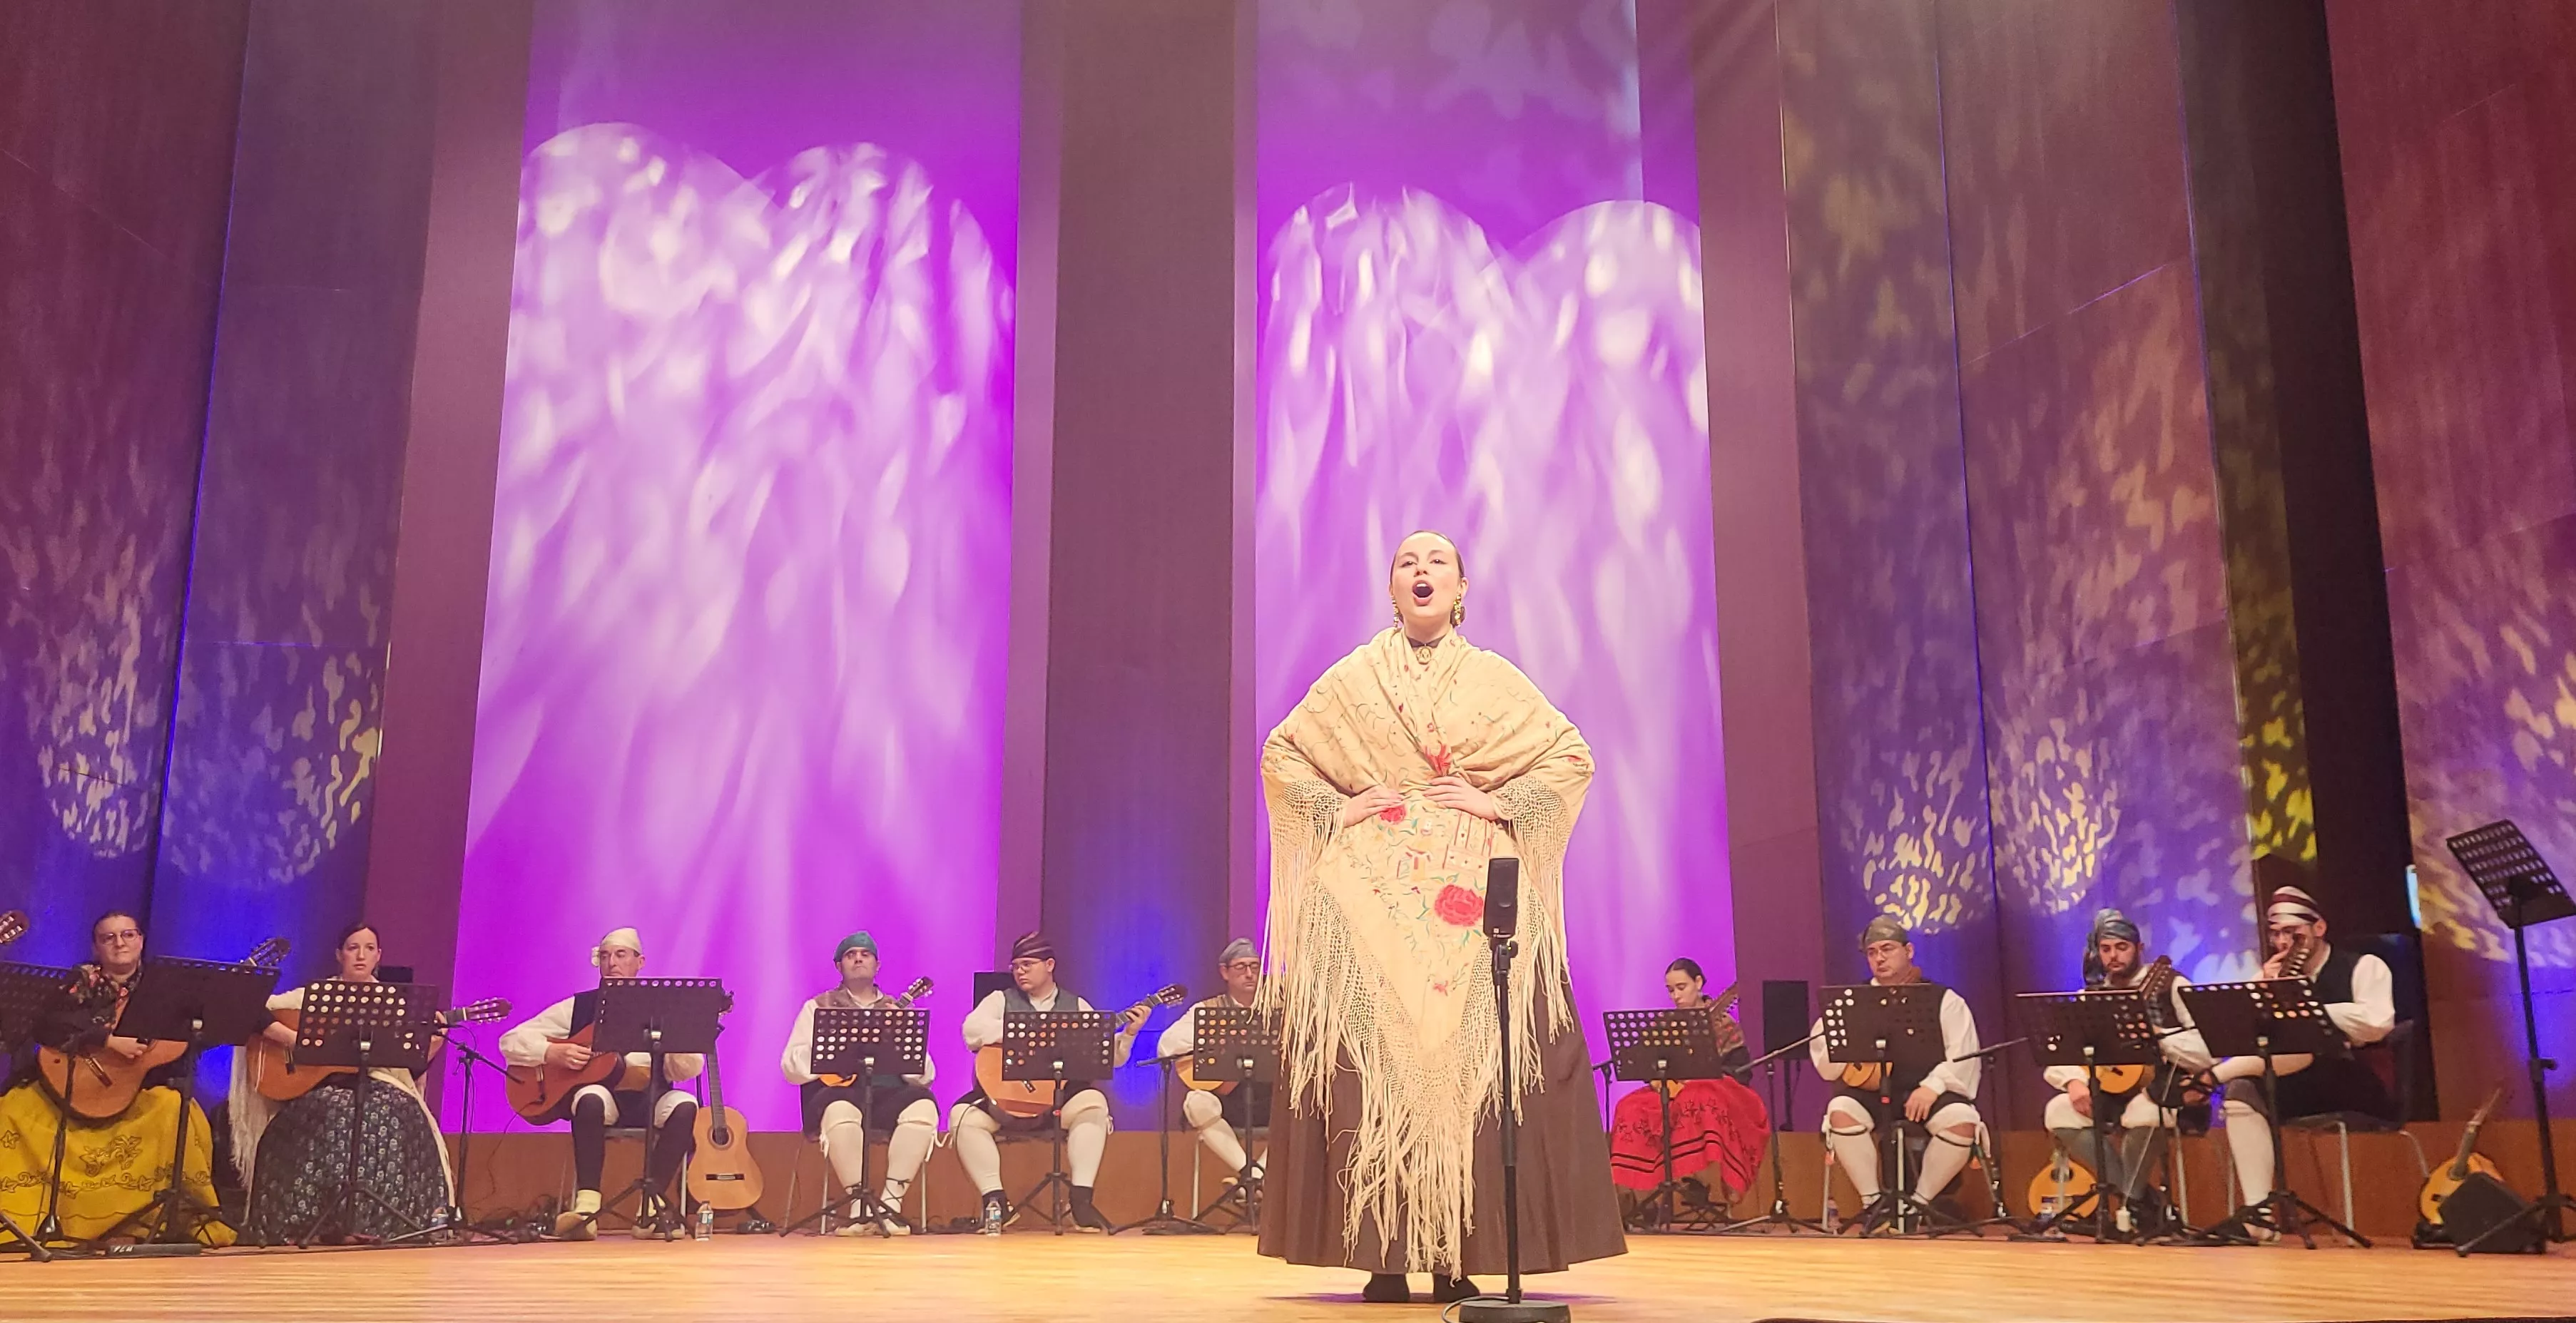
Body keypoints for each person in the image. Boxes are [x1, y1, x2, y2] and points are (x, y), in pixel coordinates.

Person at [1258, 530, 1622, 1305]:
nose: (1420, 572)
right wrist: (1336, 805)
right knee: (1370, 1075)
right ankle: (1384, 1253)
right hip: (1367, 899)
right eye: (1405, 563)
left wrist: (1500, 801)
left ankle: (1461, 1248)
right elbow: (1282, 755)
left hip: (1471, 900)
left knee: (1480, 1074)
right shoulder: (1353, 677)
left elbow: (1569, 756)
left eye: (1436, 563)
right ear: (1390, 589)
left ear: (1461, 588)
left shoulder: (1491, 678)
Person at [0, 911, 234, 1245]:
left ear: (141, 941)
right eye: (108, 938)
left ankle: (151, 1221)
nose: (120, 943)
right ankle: (28, 1219)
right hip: (72, 1086)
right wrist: (107, 1041)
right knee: (12, 1108)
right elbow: (46, 1025)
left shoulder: (167, 989)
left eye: (127, 935)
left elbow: (193, 1037)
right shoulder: (79, 982)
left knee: (175, 1107)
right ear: (96, 948)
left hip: (136, 1091)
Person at [230, 921, 452, 1244]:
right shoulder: (313, 996)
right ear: (339, 955)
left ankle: (383, 1222)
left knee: (395, 1112)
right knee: (329, 1112)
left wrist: (433, 1043)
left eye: (369, 949)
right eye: (352, 948)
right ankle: (311, 1221)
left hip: (379, 1085)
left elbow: (409, 1068)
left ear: (379, 956)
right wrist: (295, 1040)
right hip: (322, 1088)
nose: (361, 956)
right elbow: (252, 1009)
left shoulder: (396, 1004)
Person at [498, 927, 703, 1240]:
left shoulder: (662, 1007)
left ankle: (652, 1206)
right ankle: (586, 1207)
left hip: (651, 1098)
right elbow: (510, 1040)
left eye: (621, 955)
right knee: (589, 1096)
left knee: (686, 1105)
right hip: (605, 1100)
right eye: (605, 956)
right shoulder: (579, 1007)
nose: (611, 963)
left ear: (640, 962)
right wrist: (553, 1052)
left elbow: (689, 1068)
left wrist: (676, 1035)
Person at [2210, 886, 2396, 1222]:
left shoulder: (2364, 966)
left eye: (2292, 934)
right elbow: (2246, 1038)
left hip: (2350, 1081)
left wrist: (2308, 1009)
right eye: (2277, 935)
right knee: (2240, 1093)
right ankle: (2259, 1215)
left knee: (2301, 1050)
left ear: (2319, 928)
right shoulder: (2268, 975)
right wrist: (2265, 993)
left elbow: (2378, 1022)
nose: (2283, 943)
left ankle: (2207, 1080)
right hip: (2291, 1084)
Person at [951, 931, 1145, 1233]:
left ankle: (1081, 1201)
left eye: (1028, 964)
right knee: (962, 1117)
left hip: (1055, 1105)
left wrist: (1129, 1034)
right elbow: (971, 1031)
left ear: (1050, 965)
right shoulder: (1000, 1000)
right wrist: (1027, 1032)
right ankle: (996, 1202)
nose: (1020, 971)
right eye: (1016, 966)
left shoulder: (1076, 1004)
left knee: (1094, 1104)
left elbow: (1109, 1058)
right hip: (1008, 1102)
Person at [2038, 909, 2211, 1234]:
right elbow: (2060, 1050)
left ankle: (2129, 1207)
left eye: (2122, 948)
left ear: (2139, 947)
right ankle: (2142, 1201)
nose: (2114, 957)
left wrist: (2158, 1038)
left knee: (2142, 1114)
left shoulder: (2171, 984)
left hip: (2166, 1087)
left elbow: (2208, 1047)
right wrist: (2074, 1082)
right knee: (2057, 1112)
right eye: (2106, 949)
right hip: (2111, 1091)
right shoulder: (2091, 995)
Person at [1809, 916, 1984, 1230]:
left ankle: (1918, 1204)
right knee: (1840, 1110)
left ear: (1909, 950)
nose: (1879, 958)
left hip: (1927, 1093)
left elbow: (1964, 1053)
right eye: (1872, 952)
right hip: (1873, 1091)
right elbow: (1826, 1057)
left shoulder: (1943, 999)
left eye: (1888, 949)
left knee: (1963, 1120)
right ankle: (1874, 1204)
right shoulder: (1849, 1001)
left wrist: (1933, 1086)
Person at [779, 931, 938, 1235]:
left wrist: (903, 1031)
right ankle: (859, 1205)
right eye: (850, 955)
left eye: (865, 954)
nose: (858, 958)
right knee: (840, 1109)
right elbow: (790, 1066)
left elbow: (925, 1074)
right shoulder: (818, 1007)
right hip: (836, 1094)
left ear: (878, 966)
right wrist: (834, 1046)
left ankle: (891, 1204)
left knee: (923, 1105)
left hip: (888, 1094)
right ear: (839, 966)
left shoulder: (896, 1009)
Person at [1606, 958, 1768, 1217]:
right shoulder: (1665, 1026)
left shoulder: (1724, 1024)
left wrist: (1699, 1077)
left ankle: (1699, 1179)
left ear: (1699, 983)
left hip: (1717, 1089)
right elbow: (1650, 1068)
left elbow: (1741, 1071)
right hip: (1673, 1091)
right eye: (1671, 990)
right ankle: (1634, 1194)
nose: (1676, 996)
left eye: (1682, 987)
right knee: (1629, 1106)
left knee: (1697, 1097)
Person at [1154, 937, 1271, 1195]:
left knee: (1307, 1106)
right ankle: (1250, 1174)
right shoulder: (1207, 1009)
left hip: (1271, 1100)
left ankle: (1257, 1177)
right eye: (1241, 967)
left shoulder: (1281, 1009)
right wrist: (1226, 1034)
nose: (1250, 974)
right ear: (1225, 972)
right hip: (1228, 1103)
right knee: (1196, 1103)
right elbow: (1166, 1044)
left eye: (1255, 966)